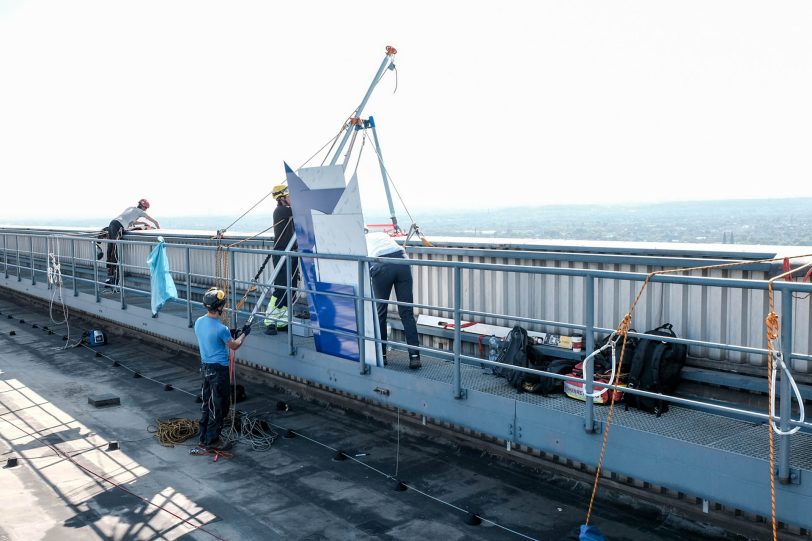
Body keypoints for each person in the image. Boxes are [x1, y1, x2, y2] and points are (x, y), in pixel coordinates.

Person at [194, 287, 251, 448]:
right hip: (219, 371)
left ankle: (203, 436)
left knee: (207, 403)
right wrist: (244, 334)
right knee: (219, 406)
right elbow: (234, 346)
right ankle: (212, 440)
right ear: (219, 307)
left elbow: (211, 337)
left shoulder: (199, 322)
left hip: (205, 368)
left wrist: (231, 333)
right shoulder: (221, 329)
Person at [365, 231, 421, 369]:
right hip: (402, 261)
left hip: (382, 264)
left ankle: (381, 356)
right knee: (407, 312)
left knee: (380, 313)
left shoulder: (362, 241)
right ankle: (415, 357)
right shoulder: (383, 236)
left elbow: (363, 267)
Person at [264, 183, 299, 335]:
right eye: (290, 196)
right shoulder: (280, 211)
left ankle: (282, 321)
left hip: (290, 253)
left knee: (290, 289)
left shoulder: (288, 212)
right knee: (281, 288)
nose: (292, 199)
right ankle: (269, 320)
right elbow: (302, 210)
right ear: (282, 198)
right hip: (281, 254)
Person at [105, 199, 160, 285]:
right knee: (114, 251)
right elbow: (154, 221)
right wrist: (158, 228)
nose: (145, 209)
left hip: (113, 223)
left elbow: (130, 221)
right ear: (144, 207)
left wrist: (142, 222)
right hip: (119, 226)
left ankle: (110, 273)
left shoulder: (130, 208)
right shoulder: (141, 212)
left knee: (111, 247)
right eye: (146, 208)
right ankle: (113, 277)